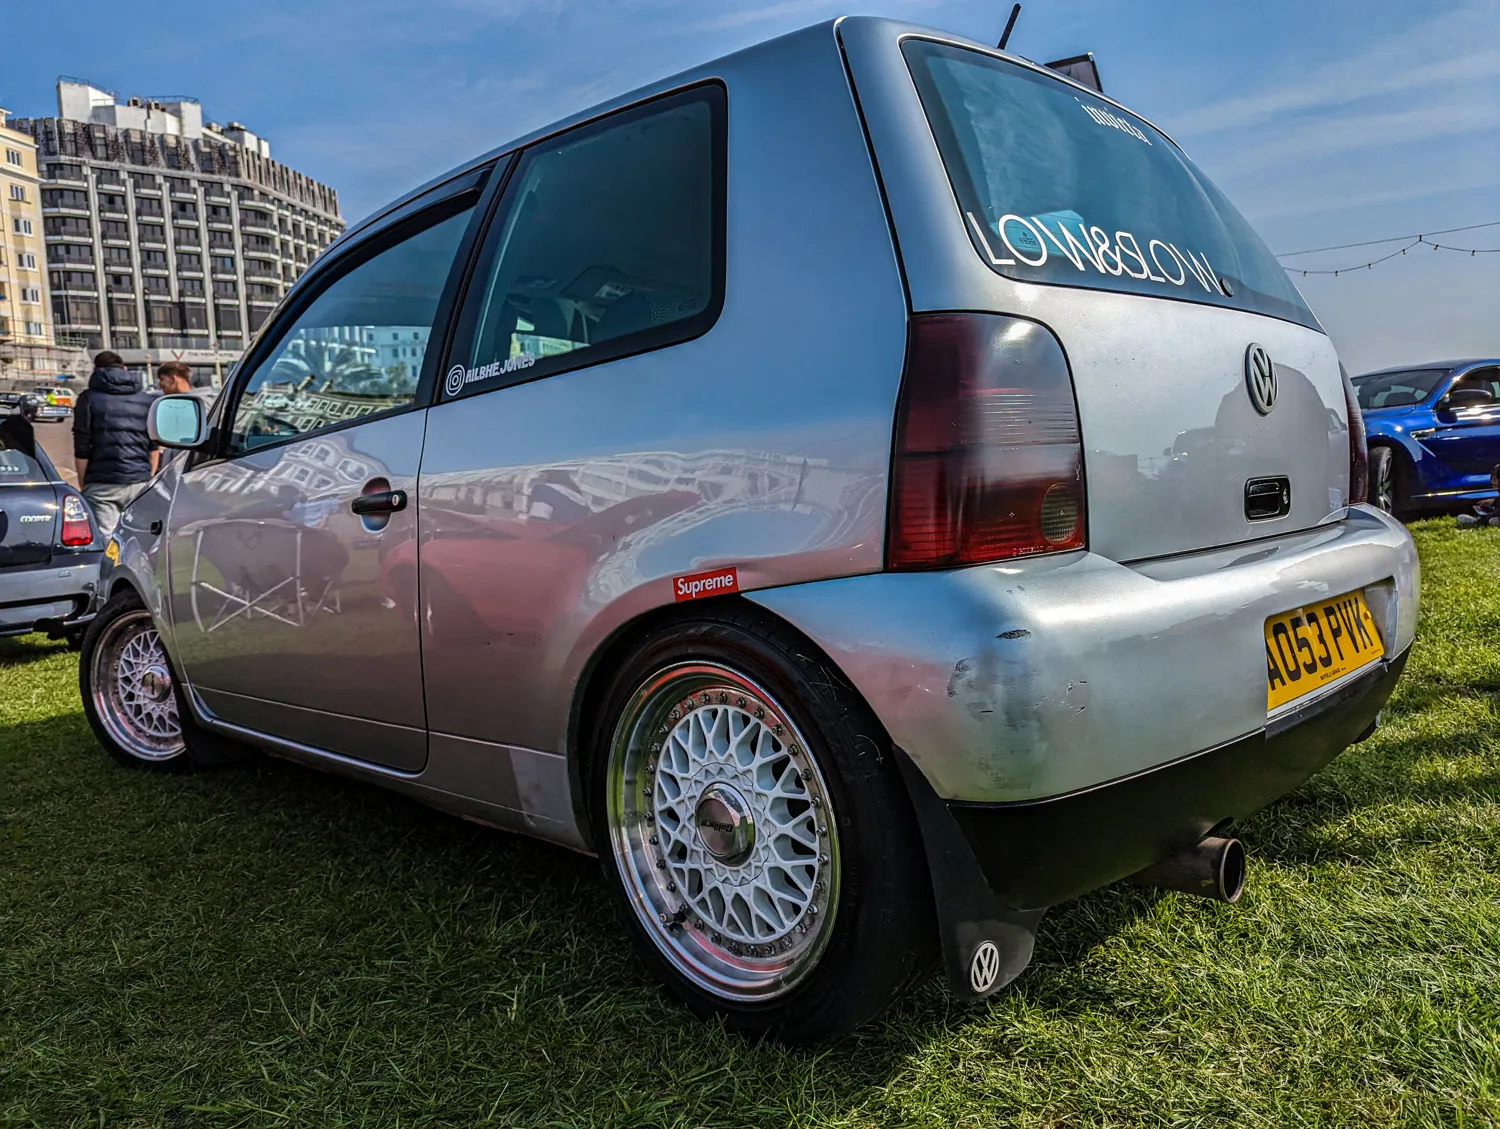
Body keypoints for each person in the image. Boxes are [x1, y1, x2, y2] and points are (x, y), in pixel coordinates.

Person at [72, 351, 158, 538]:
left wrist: (83, 482)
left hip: (102, 482)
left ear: (96, 370)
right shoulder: (146, 399)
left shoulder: (87, 398)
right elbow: (153, 445)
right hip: (139, 480)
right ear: (124, 368)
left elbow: (82, 445)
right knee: (140, 537)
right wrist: (148, 475)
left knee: (107, 538)